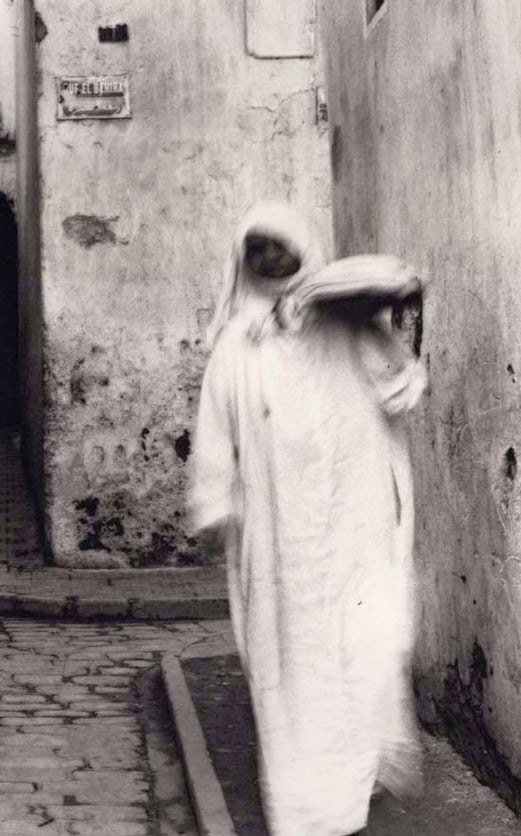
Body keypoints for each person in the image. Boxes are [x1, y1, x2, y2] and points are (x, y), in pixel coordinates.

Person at [188, 202, 426, 836]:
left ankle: (359, 772)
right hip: (279, 537)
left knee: (363, 646)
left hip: (355, 522)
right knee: (295, 664)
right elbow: (216, 436)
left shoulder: (346, 324)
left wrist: (356, 321)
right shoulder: (236, 345)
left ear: (304, 248)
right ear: (242, 260)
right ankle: (307, 805)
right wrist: (217, 503)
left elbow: (400, 383)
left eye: (281, 246)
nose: (271, 259)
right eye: (257, 248)